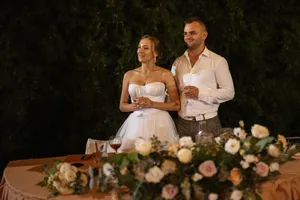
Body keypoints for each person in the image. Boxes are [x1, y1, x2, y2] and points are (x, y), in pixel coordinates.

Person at [171, 16, 235, 139]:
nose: (187, 37)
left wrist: (200, 93)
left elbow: (229, 92)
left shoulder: (217, 61)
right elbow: (171, 92)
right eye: (185, 33)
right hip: (181, 124)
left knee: (209, 159)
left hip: (207, 124)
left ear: (204, 35)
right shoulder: (177, 62)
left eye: (192, 33)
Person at [116, 34, 180, 151]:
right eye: (139, 47)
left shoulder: (165, 74)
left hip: (160, 123)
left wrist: (152, 104)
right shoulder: (129, 75)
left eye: (145, 48)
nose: (140, 51)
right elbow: (122, 106)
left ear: (155, 53)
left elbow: (176, 105)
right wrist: (135, 105)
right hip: (136, 124)